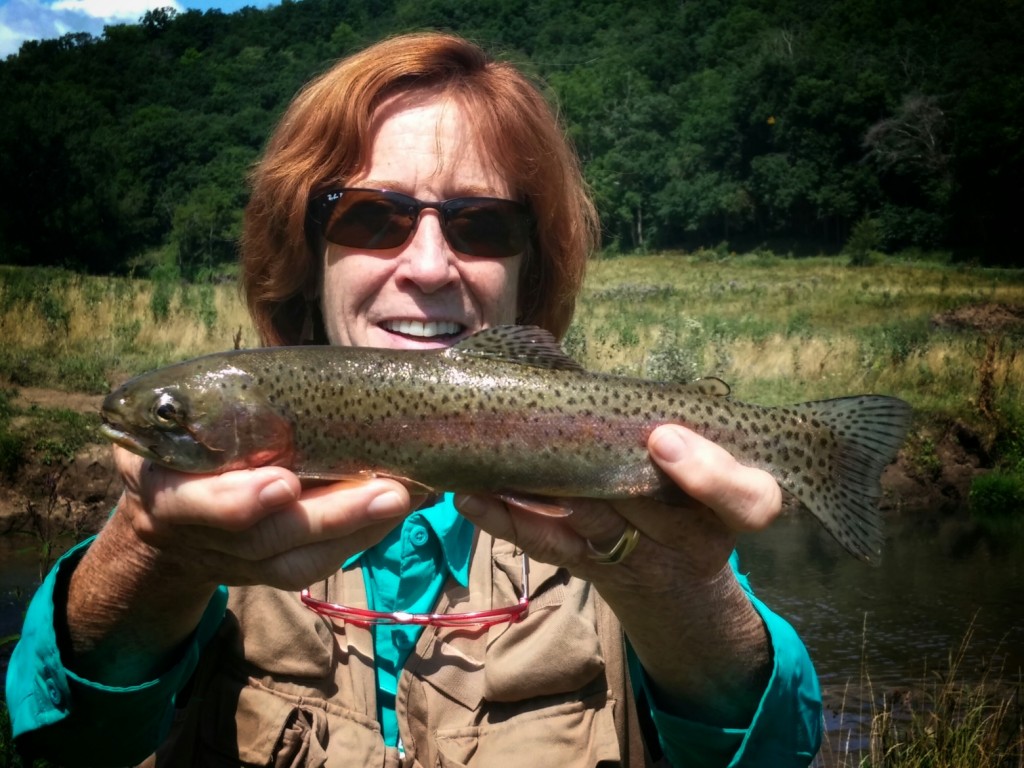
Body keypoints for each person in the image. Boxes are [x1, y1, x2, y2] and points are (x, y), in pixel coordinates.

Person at [6, 32, 821, 767]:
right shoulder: (199, 517)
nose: (430, 266)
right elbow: (66, 746)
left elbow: (775, 754)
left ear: (528, 272)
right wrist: (151, 559)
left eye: (483, 225)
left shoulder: (635, 532)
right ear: (306, 253)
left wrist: (679, 588)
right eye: (371, 216)